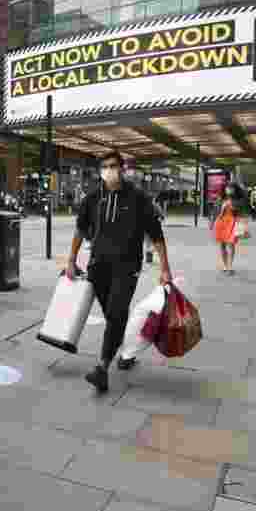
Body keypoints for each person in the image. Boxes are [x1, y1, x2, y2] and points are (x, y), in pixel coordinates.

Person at [66, 150, 173, 393]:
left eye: (113, 166)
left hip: (127, 267)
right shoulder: (92, 198)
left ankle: (102, 368)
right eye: (104, 166)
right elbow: (80, 231)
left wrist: (165, 267)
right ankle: (127, 351)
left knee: (115, 313)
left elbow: (156, 235)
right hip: (98, 267)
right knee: (115, 317)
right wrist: (71, 260)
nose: (109, 170)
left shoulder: (137, 198)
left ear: (122, 169)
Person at [210, 183, 242, 275]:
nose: (229, 190)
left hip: (232, 223)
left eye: (232, 188)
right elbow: (216, 212)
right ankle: (225, 265)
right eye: (228, 188)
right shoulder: (220, 200)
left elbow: (240, 212)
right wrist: (212, 222)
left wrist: (232, 206)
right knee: (222, 245)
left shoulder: (238, 200)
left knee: (231, 244)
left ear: (235, 190)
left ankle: (230, 266)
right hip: (221, 223)